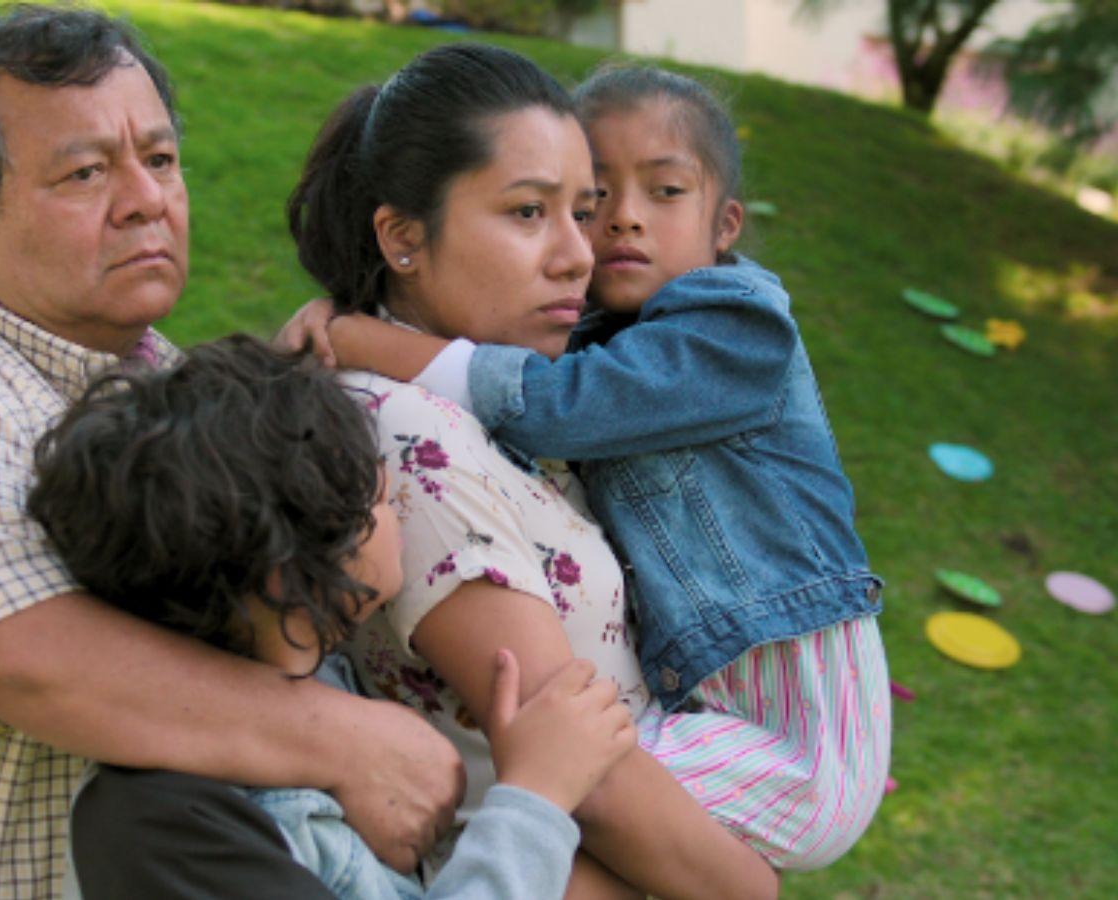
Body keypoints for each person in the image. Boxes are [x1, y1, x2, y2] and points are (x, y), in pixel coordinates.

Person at [0, 6, 461, 898]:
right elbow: (1, 653)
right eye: (87, 171)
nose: (147, 198)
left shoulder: (166, 382)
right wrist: (344, 737)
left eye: (161, 158)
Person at [282, 50, 890, 894]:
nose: (587, 250)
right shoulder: (412, 432)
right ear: (403, 238)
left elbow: (552, 405)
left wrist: (353, 332)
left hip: (748, 750)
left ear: (728, 224)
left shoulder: (697, 335)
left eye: (582, 211)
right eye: (534, 211)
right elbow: (580, 767)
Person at [29, 334, 638, 899]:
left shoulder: (316, 687)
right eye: (376, 497)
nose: (396, 512)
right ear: (287, 576)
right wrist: (535, 798)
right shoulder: (163, 825)